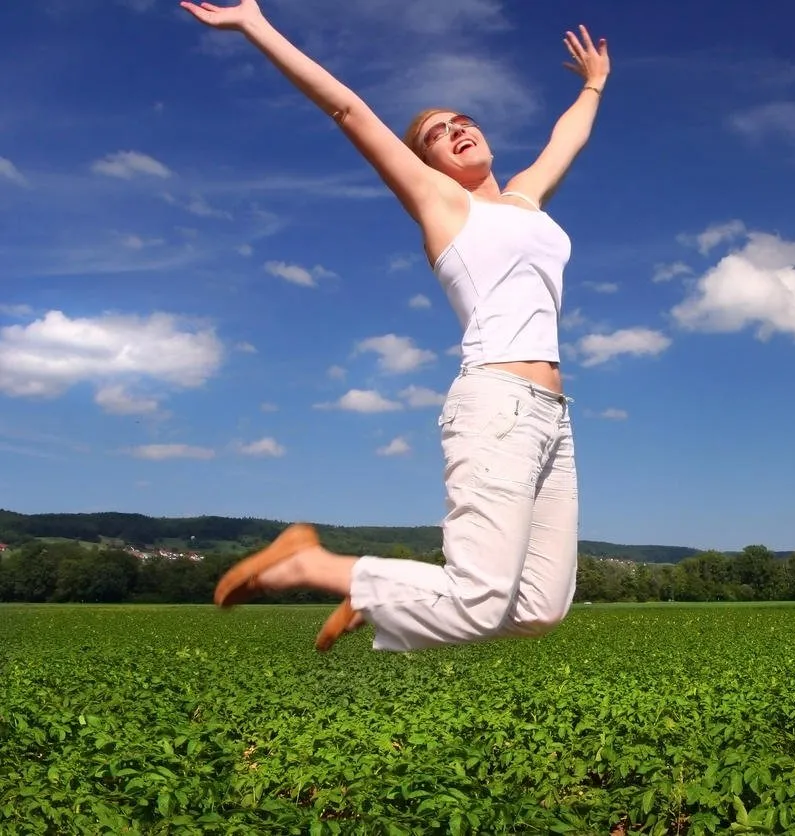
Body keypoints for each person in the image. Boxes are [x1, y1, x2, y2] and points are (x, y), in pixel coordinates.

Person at [181, 0, 609, 652]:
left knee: (541, 607)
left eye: (464, 121)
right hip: (497, 403)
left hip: (553, 414)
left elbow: (568, 138)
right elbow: (349, 110)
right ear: (429, 162)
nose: (457, 130)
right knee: (478, 599)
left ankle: (374, 595)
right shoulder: (441, 204)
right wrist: (254, 25)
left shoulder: (524, 198)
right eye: (439, 133)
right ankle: (305, 564)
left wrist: (593, 82)